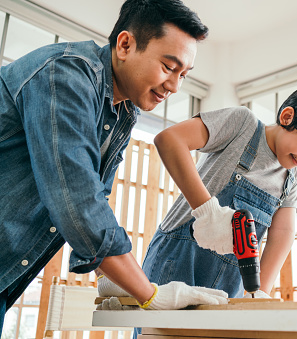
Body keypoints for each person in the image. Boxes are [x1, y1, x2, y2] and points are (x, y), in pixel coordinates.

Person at [0, 0, 228, 334]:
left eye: (183, 75)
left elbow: (95, 196)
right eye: (168, 67)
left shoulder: (123, 113)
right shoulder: (64, 75)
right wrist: (149, 293)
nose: (175, 86)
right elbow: (76, 199)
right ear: (125, 45)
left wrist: (116, 279)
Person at [141, 84, 297, 300]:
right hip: (177, 262)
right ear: (287, 117)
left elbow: (283, 232)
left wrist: (261, 292)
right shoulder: (243, 125)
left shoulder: (292, 174)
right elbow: (170, 140)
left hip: (229, 285)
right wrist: (208, 211)